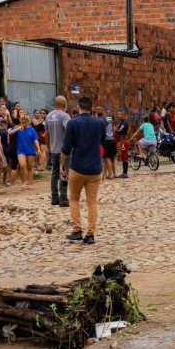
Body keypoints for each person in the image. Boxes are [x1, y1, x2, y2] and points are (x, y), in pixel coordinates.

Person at [61, 96, 106, 244]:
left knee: (74, 198)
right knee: (92, 202)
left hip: (78, 167)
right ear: (92, 108)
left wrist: (62, 166)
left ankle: (77, 229)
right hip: (95, 168)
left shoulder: (73, 123)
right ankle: (90, 234)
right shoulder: (100, 123)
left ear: (78, 107)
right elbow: (102, 140)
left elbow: (66, 148)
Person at [45, 97, 71, 206]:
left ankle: (54, 197)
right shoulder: (65, 116)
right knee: (64, 173)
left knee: (54, 173)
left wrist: (48, 147)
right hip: (63, 150)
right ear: (65, 104)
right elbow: (68, 129)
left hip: (53, 149)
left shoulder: (48, 116)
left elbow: (46, 134)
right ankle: (63, 198)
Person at [11, 114, 39, 189]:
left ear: (28, 122)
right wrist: (17, 129)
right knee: (22, 165)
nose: (24, 124)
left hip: (30, 150)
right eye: (22, 122)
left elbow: (35, 139)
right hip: (21, 150)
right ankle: (23, 181)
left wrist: (38, 149)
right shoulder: (17, 129)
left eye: (25, 122)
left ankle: (30, 183)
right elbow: (9, 133)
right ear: (20, 122)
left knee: (29, 167)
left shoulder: (32, 129)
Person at [98, 104, 118, 179]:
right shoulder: (109, 118)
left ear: (103, 110)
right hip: (111, 139)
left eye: (99, 109)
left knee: (106, 157)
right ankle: (110, 174)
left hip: (105, 139)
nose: (97, 111)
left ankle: (110, 174)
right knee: (110, 158)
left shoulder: (101, 119)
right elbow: (113, 128)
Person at [115, 109, 131, 178]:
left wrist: (115, 129)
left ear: (123, 115)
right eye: (117, 114)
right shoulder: (121, 122)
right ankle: (124, 172)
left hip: (123, 141)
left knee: (124, 156)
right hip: (121, 141)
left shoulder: (125, 122)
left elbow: (120, 130)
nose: (118, 116)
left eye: (119, 114)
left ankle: (125, 173)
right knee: (122, 156)